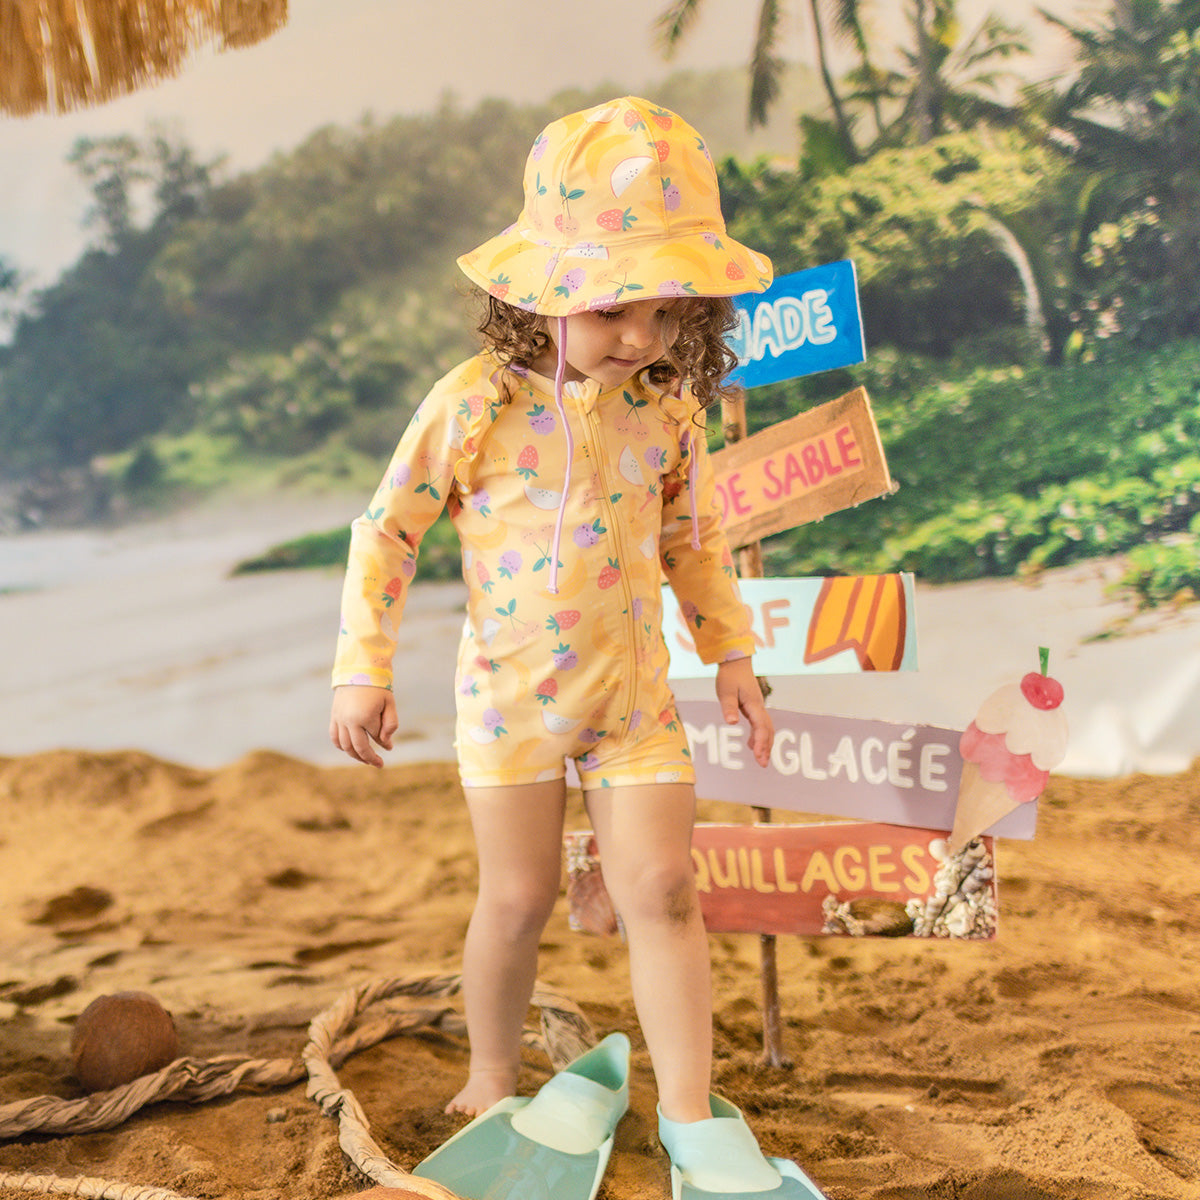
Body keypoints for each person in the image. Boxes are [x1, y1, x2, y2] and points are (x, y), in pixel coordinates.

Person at [330, 95, 790, 1188]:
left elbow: (695, 541)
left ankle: (687, 1107)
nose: (642, 339)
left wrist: (731, 653)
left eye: (666, 313)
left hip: (634, 701)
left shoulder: (666, 409)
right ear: (544, 299)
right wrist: (364, 668)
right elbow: (387, 531)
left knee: (665, 888)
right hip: (511, 701)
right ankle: (492, 1069)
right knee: (519, 897)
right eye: (616, 311)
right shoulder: (475, 404)